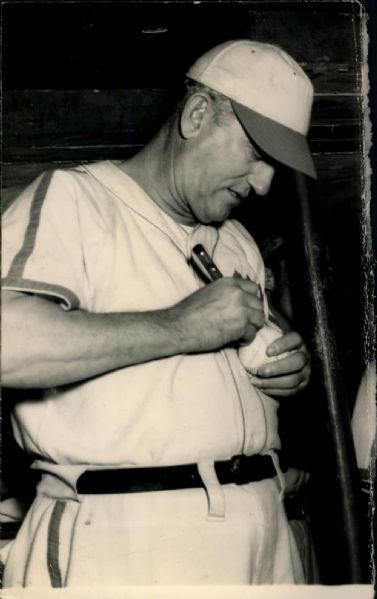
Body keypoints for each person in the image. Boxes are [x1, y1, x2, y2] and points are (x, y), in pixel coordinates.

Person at [1, 40, 316, 586]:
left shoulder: (236, 240)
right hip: (129, 539)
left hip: (262, 535)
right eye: (257, 154)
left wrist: (291, 367)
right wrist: (182, 326)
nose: (264, 184)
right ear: (197, 116)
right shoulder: (75, 201)